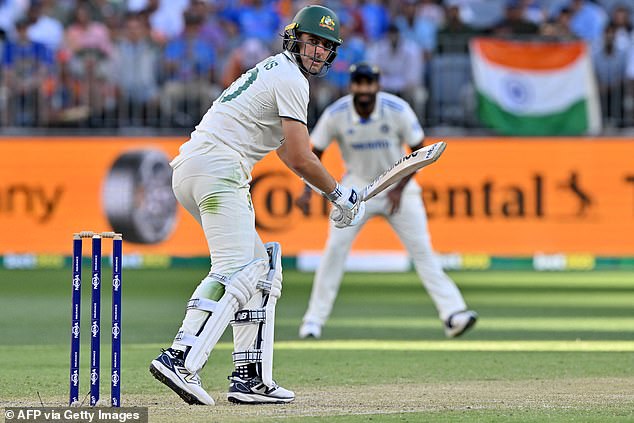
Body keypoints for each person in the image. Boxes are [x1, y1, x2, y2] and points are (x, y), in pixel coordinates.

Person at [149, 5, 366, 406]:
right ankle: (180, 357)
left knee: (263, 269)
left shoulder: (275, 71)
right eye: (312, 41)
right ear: (294, 37)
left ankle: (250, 376)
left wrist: (329, 192)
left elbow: (287, 153)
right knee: (238, 268)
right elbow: (302, 157)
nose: (317, 51)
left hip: (198, 168)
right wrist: (339, 194)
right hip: (218, 169)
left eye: (325, 46)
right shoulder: (290, 78)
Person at [295, 62, 477, 340]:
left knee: (423, 251)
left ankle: (453, 314)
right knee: (334, 251)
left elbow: (420, 152)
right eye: (359, 83)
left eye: (369, 83)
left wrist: (399, 188)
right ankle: (313, 321)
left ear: (378, 85)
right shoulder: (337, 114)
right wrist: (308, 191)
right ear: (352, 85)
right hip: (356, 188)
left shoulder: (396, 109)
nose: (364, 89)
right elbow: (314, 152)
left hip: (397, 187)